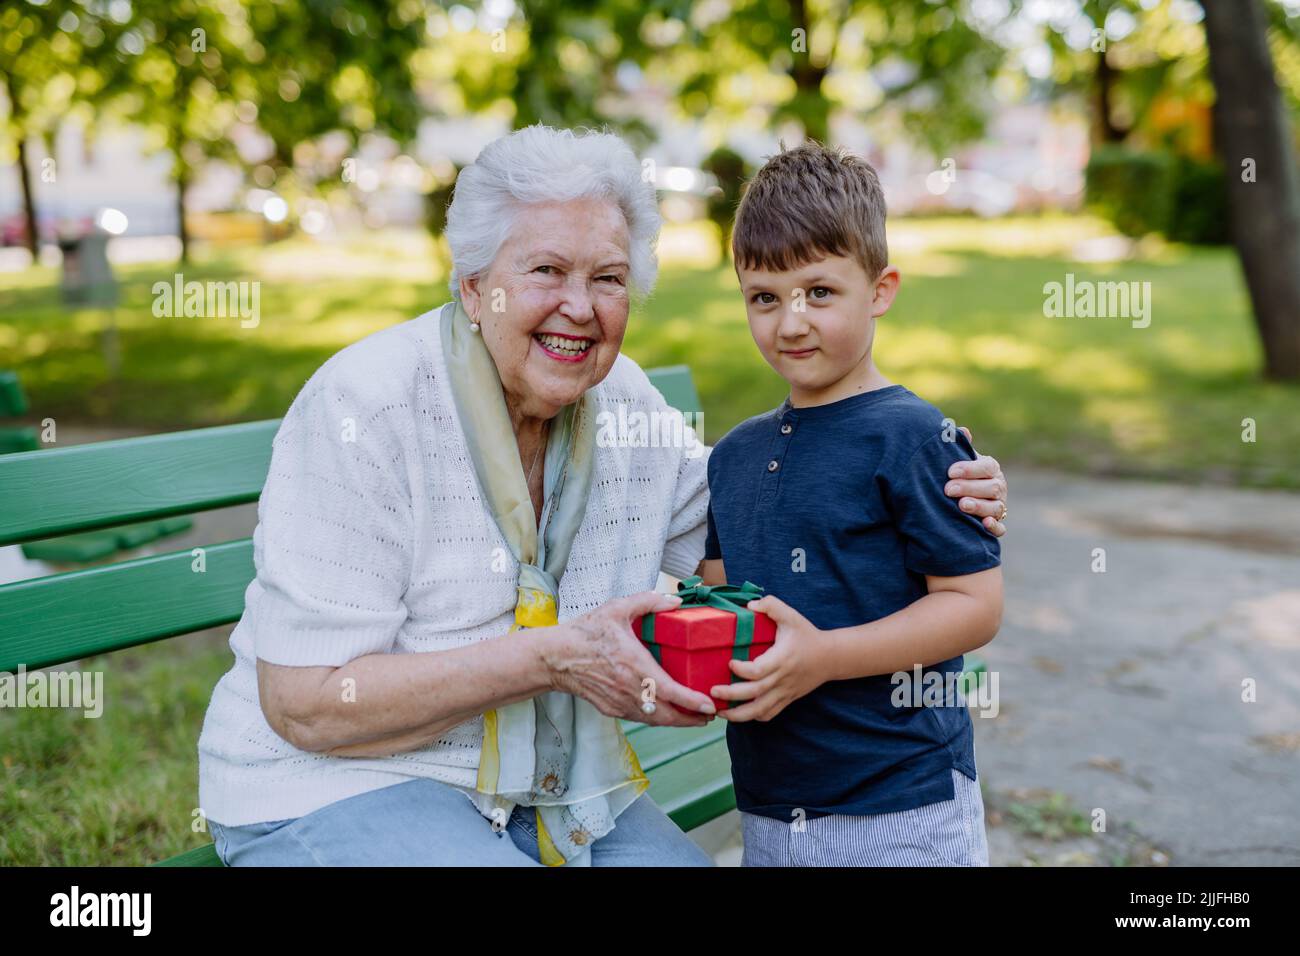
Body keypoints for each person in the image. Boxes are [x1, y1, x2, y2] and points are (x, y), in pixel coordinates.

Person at [196, 125, 1011, 867]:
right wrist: (551, 658)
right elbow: (304, 705)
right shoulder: (368, 407)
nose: (579, 309)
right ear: (475, 287)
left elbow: (764, 508)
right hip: (342, 785)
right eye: (546, 271)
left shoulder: (620, 403)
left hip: (557, 789)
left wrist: (950, 478)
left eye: (609, 279)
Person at [700, 142, 1003, 866]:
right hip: (772, 802)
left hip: (901, 801)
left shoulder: (913, 437)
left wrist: (827, 657)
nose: (790, 322)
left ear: (881, 289)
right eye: (764, 298)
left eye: (819, 292)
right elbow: (722, 592)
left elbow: (973, 605)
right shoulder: (735, 455)